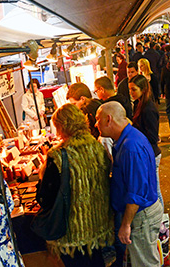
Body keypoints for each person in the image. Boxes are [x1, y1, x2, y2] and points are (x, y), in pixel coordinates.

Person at [36, 104, 114, 266]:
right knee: (96, 261)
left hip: (73, 229)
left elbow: (45, 198)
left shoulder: (58, 155)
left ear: (62, 127)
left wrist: (41, 175)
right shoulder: (96, 146)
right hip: (97, 223)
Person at [95, 102, 163, 267]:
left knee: (145, 263)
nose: (96, 124)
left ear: (109, 119)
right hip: (140, 214)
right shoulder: (127, 139)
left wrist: (125, 225)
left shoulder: (130, 147)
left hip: (141, 216)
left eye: (98, 119)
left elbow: (136, 193)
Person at [129, 75, 163, 205]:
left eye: (134, 89)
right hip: (146, 153)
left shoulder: (148, 108)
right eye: (130, 89)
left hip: (151, 154)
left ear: (143, 90)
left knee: (155, 189)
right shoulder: (139, 104)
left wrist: (133, 131)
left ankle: (161, 219)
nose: (131, 93)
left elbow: (153, 137)